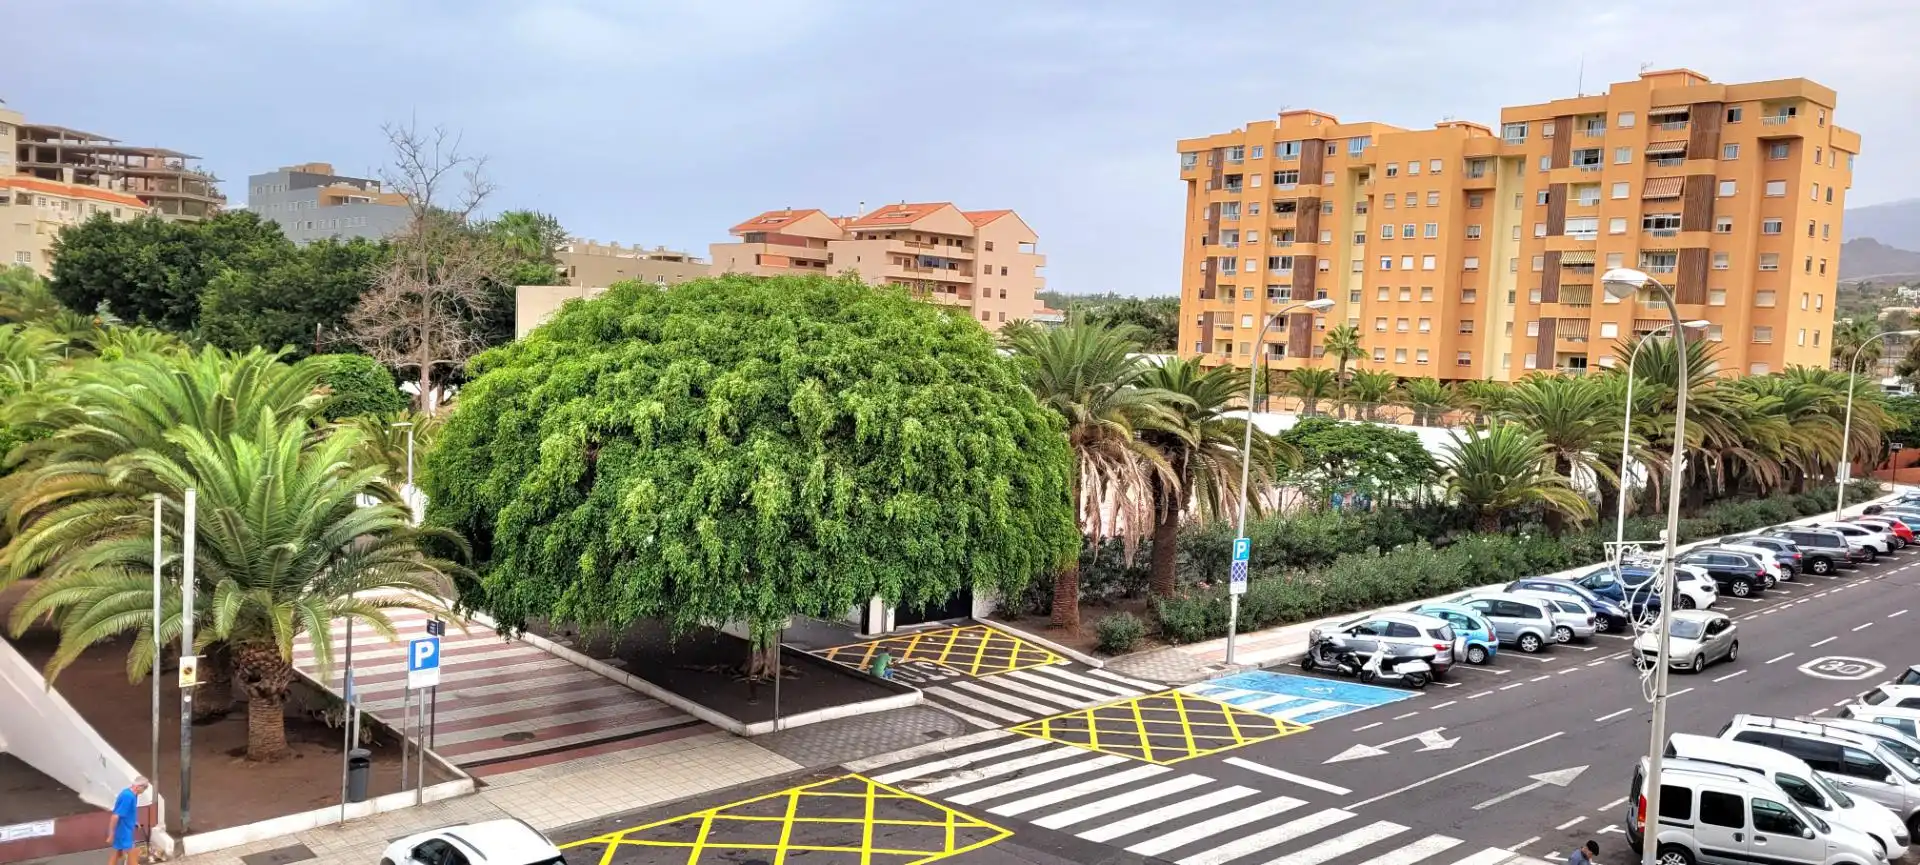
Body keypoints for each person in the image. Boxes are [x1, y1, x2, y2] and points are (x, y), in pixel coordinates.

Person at [108, 776, 147, 865]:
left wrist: (134, 822)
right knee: (132, 853)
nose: (143, 791)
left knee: (117, 853)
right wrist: (111, 834)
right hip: (123, 830)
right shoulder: (128, 797)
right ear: (138, 787)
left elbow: (130, 812)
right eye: (144, 788)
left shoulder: (133, 795)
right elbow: (115, 816)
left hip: (126, 828)